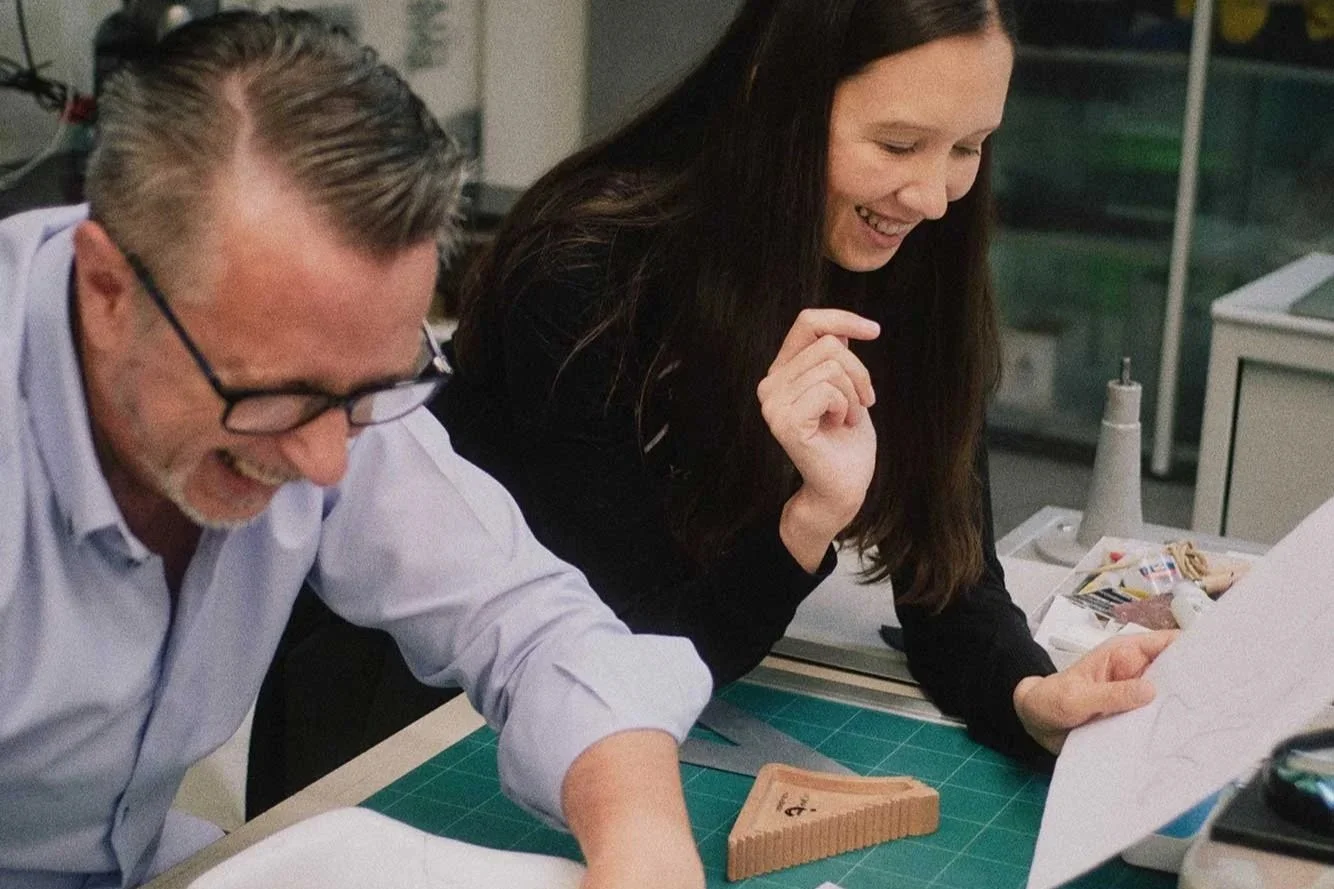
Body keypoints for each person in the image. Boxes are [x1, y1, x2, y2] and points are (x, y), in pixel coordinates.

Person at [0, 11, 712, 889]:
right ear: (108, 290)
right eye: (277, 397)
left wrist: (644, 848)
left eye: (373, 390)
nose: (330, 462)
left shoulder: (314, 359)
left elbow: (534, 624)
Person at [427, 0, 1177, 764]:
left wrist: (1029, 695)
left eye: (970, 146)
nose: (933, 196)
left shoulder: (908, 247)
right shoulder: (583, 273)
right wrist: (807, 521)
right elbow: (625, 660)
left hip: (655, 679)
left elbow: (948, 580)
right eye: (897, 144)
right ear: (777, 93)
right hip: (443, 715)